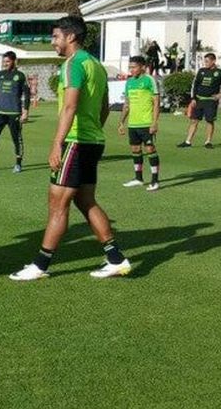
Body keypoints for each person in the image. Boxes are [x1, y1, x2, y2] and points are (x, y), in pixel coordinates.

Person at [10, 15, 131, 281]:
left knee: (57, 204)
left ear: (71, 37)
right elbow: (104, 106)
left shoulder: (73, 64)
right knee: (86, 201)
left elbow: (70, 106)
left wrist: (57, 144)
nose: (53, 42)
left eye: (56, 37)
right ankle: (116, 259)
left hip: (75, 142)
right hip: (93, 141)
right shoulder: (96, 65)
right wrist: (93, 130)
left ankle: (40, 265)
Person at [0, 51, 30, 173]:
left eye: (8, 61)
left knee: (16, 139)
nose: (5, 64)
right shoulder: (0, 74)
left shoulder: (20, 76)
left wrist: (25, 111)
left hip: (14, 113)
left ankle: (18, 164)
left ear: (14, 61)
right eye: (4, 62)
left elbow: (27, 94)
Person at [118, 55, 161, 191]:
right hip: (133, 124)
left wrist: (154, 122)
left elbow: (156, 103)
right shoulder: (129, 82)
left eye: (134, 67)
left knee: (150, 150)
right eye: (129, 67)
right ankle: (138, 178)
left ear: (143, 67)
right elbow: (127, 104)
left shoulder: (150, 80)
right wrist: (121, 122)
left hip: (146, 123)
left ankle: (155, 180)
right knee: (135, 150)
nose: (131, 70)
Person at [177, 53, 221, 149]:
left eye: (207, 61)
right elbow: (194, 85)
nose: (205, 63)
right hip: (199, 100)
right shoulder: (201, 71)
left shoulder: (220, 72)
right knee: (194, 121)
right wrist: (193, 98)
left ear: (213, 61)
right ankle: (188, 142)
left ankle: (208, 142)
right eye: (205, 61)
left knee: (209, 121)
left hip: (211, 101)